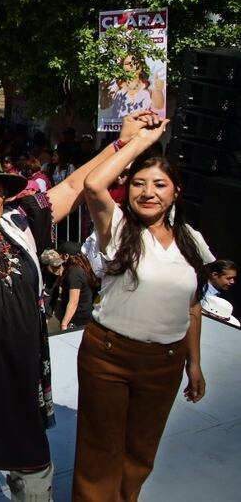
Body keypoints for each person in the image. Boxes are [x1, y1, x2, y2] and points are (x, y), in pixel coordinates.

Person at [0, 109, 156, 502]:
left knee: (30, 447)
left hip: (20, 362)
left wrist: (124, 142)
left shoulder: (23, 219)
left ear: (6, 194)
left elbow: (73, 185)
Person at [73, 113, 214, 501]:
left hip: (165, 362)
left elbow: (193, 307)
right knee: (100, 455)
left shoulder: (192, 241)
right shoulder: (117, 226)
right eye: (138, 183)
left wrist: (193, 362)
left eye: (158, 184)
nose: (148, 192)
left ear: (176, 191)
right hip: (109, 357)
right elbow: (92, 184)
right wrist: (137, 142)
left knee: (139, 455)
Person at [55, 240, 95, 331]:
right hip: (84, 315)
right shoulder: (84, 267)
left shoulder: (74, 273)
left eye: (60, 255)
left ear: (66, 256)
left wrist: (64, 324)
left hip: (76, 319)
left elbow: (73, 302)